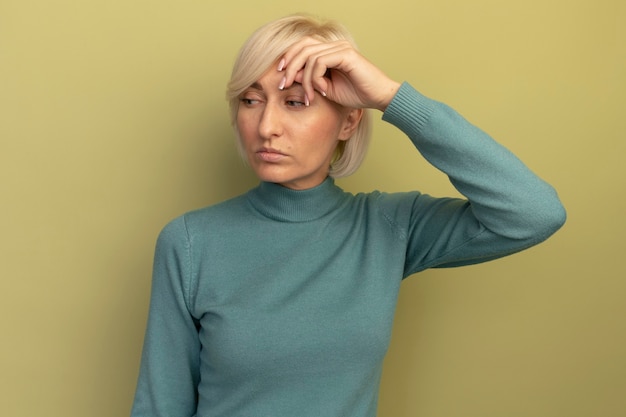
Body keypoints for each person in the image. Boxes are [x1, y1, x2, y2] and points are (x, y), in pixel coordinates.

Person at [130, 13, 566, 417]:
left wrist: (393, 98)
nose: (266, 127)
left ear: (348, 122)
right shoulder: (190, 242)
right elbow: (160, 404)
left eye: (295, 102)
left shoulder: (387, 227)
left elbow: (534, 212)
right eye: (250, 100)